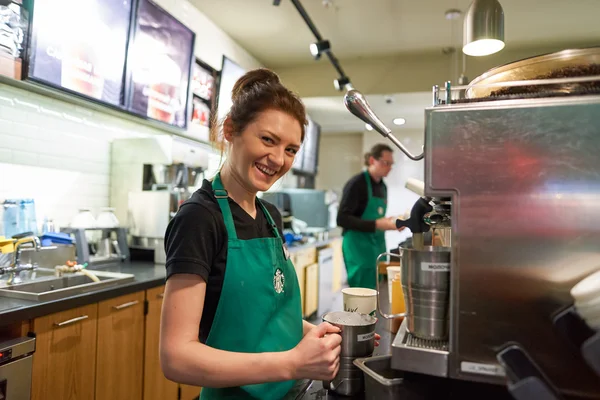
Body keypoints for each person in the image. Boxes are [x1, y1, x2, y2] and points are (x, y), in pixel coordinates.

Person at [160, 69, 344, 399]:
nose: (278, 159)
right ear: (231, 130)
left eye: (290, 149)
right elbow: (176, 357)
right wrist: (292, 363)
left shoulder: (270, 216)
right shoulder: (200, 219)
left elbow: (272, 315)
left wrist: (320, 336)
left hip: (289, 391)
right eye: (268, 140)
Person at [337, 143, 404, 290]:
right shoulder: (357, 183)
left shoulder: (382, 186)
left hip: (376, 247)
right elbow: (342, 219)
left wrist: (391, 222)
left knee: (375, 293)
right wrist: (377, 225)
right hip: (358, 248)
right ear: (373, 160)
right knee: (360, 294)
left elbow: (377, 217)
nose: (389, 168)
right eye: (386, 163)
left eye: (391, 164)